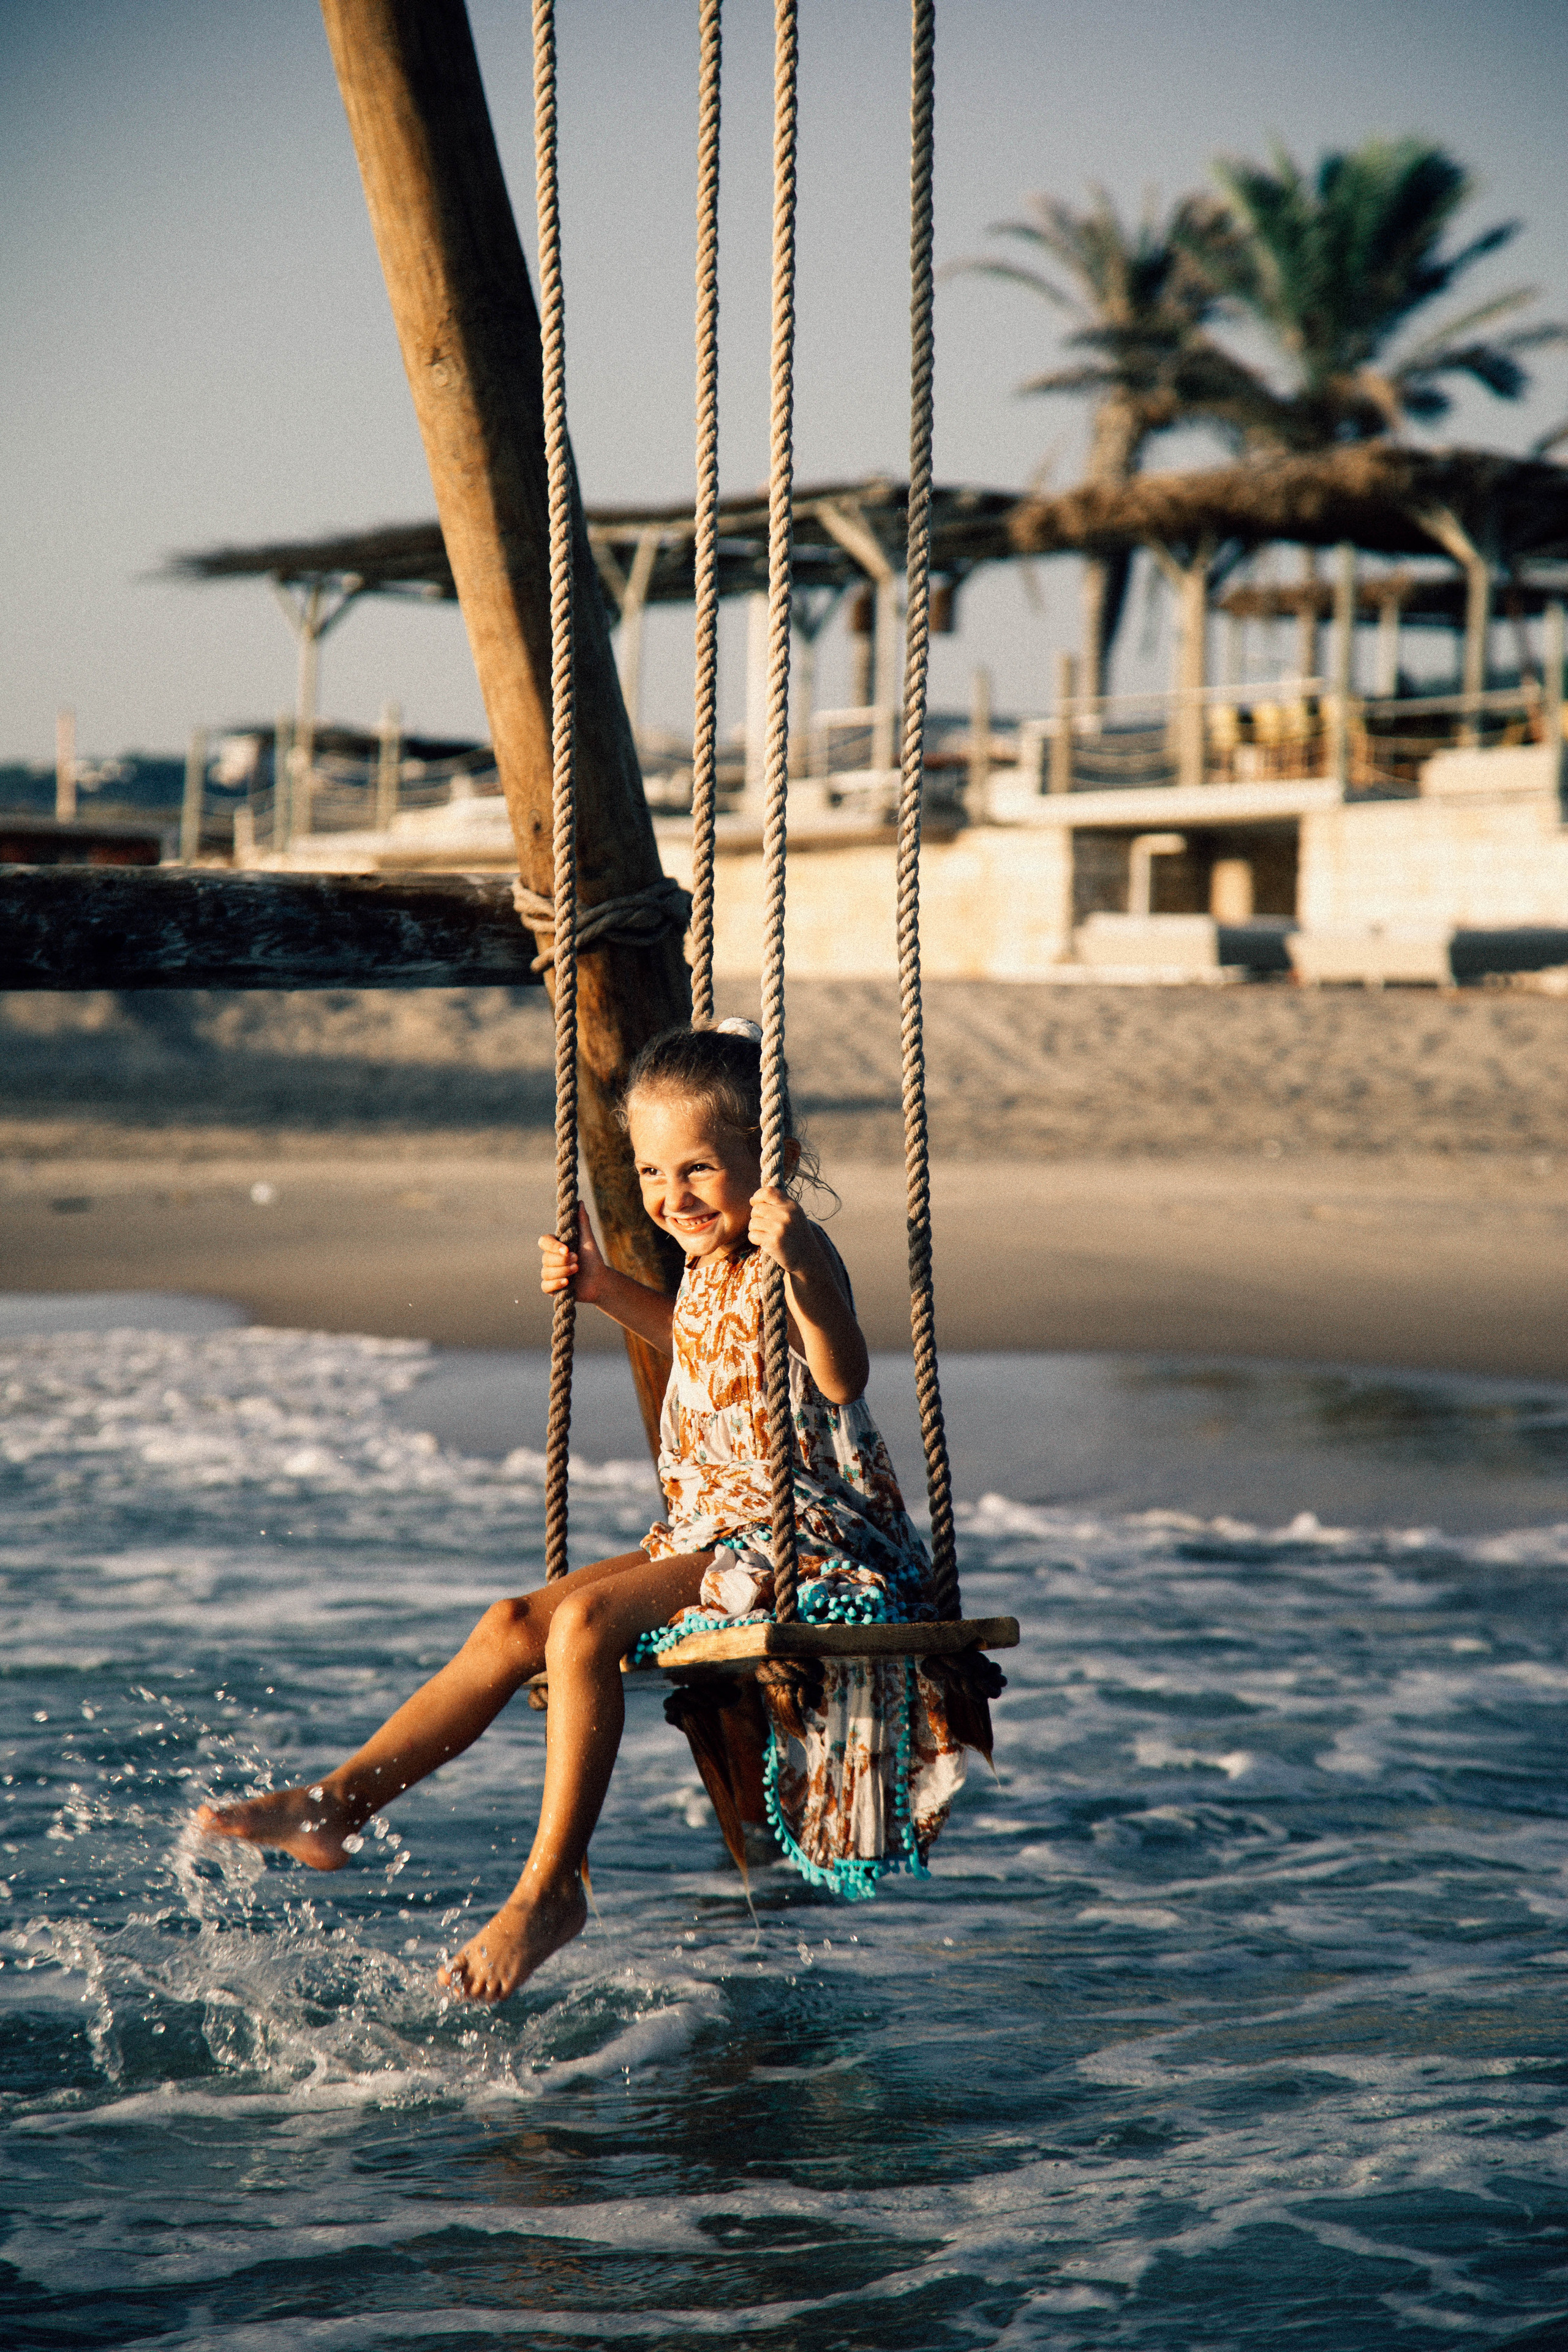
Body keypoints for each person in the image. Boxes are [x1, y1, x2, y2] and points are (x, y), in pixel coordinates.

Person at [198, 1019, 967, 2003]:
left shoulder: (790, 1254)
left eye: (697, 1170)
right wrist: (609, 1292)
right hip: (705, 1530)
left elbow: (842, 1370)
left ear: (767, 1162)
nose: (670, 1197)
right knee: (512, 1623)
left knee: (585, 1627)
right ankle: (333, 1806)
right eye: (651, 1174)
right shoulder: (705, 1263)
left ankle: (552, 1890)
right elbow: (694, 1343)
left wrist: (807, 1263)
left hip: (797, 1542)